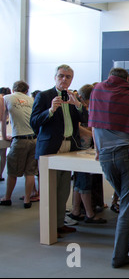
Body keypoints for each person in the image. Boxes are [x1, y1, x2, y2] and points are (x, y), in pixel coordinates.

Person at [89, 67, 129, 269]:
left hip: (105, 156)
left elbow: (94, 126)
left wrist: (98, 152)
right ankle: (118, 256)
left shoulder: (96, 92)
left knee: (125, 201)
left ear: (110, 78)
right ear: (128, 80)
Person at [30, 64, 88, 235]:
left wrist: (77, 105)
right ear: (55, 77)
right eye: (61, 76)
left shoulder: (72, 97)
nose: (64, 79)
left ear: (72, 79)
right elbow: (34, 122)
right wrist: (50, 110)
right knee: (49, 189)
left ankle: (59, 223)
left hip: (69, 147)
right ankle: (48, 226)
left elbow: (85, 119)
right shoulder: (44, 96)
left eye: (68, 77)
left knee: (63, 189)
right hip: (50, 148)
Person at [68, 84, 106, 224]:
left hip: (86, 147)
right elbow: (78, 127)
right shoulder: (81, 109)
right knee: (83, 180)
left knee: (81, 179)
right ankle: (88, 213)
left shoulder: (89, 108)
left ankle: (76, 210)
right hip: (82, 148)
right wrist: (94, 134)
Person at [0, 81, 37, 208]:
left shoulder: (7, 98)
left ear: (13, 89)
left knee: (12, 171)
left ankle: (7, 197)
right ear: (26, 91)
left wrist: (5, 137)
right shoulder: (31, 100)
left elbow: (3, 118)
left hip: (20, 139)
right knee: (30, 172)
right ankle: (27, 200)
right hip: (34, 139)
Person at [0, 87, 11, 181]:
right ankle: (0, 175)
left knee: (3, 153)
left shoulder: (3, 100)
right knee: (3, 153)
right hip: (5, 129)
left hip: (4, 129)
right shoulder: (5, 100)